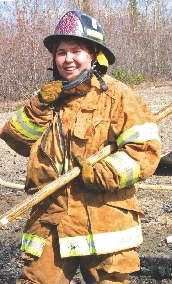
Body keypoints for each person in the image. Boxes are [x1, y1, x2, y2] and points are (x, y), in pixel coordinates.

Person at [0, 10, 161, 284]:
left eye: (76, 50)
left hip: (103, 218)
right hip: (51, 217)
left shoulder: (118, 96)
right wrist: (39, 107)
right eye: (61, 52)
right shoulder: (49, 97)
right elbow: (18, 140)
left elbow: (144, 151)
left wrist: (102, 174)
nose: (68, 59)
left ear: (94, 55)